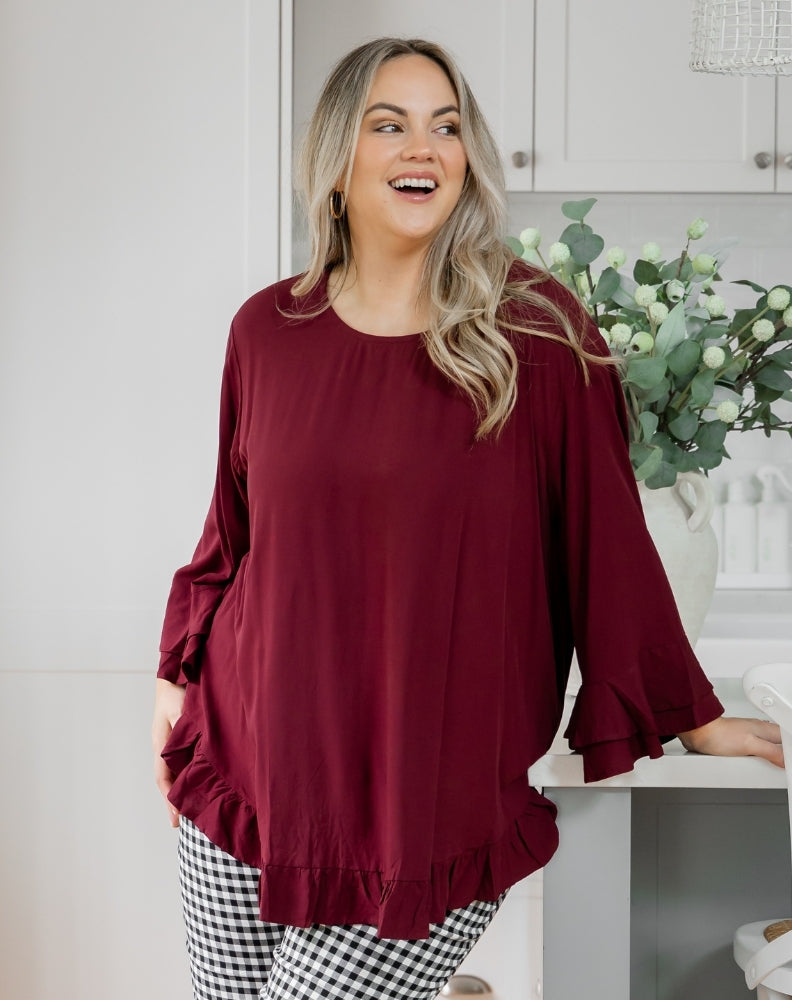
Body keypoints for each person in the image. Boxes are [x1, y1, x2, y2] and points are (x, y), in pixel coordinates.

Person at [152, 37, 784, 1000]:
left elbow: (607, 542)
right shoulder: (266, 330)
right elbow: (232, 537)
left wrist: (689, 717)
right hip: (248, 767)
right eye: (390, 124)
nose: (424, 147)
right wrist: (175, 678)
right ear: (337, 161)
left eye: (445, 126)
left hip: (424, 806)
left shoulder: (537, 332)